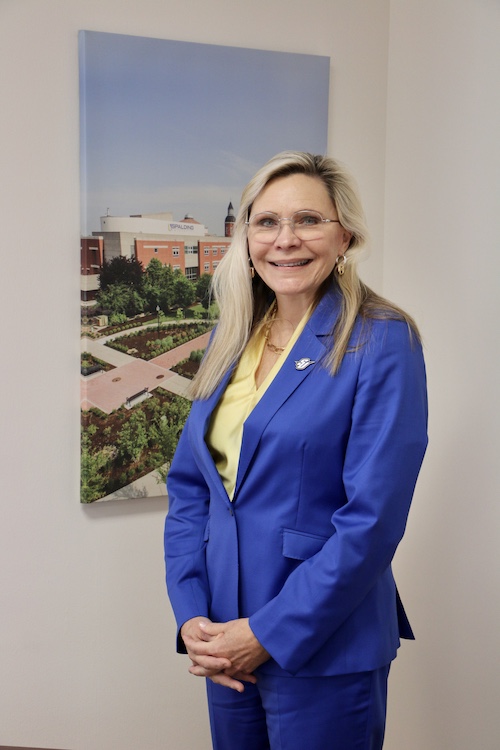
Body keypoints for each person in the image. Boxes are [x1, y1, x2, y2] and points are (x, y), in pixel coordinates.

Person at [164, 151, 428, 749]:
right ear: (247, 236)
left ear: (346, 237)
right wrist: (192, 615)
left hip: (322, 639)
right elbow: (191, 492)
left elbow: (372, 521)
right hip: (223, 634)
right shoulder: (229, 338)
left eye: (308, 220)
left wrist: (267, 632)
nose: (285, 241)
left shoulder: (381, 340)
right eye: (266, 222)